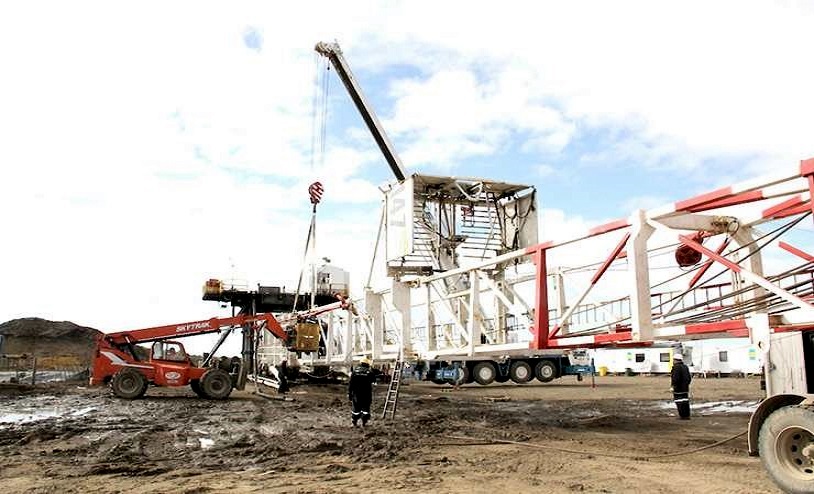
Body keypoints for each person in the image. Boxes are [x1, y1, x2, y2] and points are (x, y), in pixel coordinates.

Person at [348, 357, 375, 427]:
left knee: (356, 408)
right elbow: (374, 381)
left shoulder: (355, 371)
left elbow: (351, 384)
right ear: (367, 364)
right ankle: (364, 422)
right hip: (366, 394)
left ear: (360, 363)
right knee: (365, 408)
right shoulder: (369, 372)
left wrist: (349, 394)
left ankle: (354, 422)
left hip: (356, 394)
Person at [671, 352, 692, 420]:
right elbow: (689, 378)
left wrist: (673, 386)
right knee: (685, 402)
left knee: (679, 402)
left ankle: (682, 416)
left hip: (678, 389)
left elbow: (675, 378)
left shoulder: (676, 367)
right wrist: (686, 384)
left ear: (676, 360)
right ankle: (687, 415)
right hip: (685, 388)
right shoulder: (685, 367)